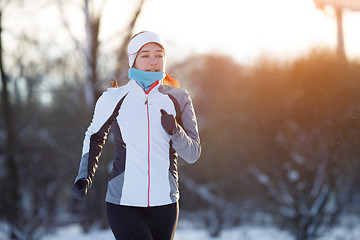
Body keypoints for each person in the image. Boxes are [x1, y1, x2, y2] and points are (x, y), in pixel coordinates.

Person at [72, 31, 201, 240]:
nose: (153, 61)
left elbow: (193, 153)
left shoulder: (179, 98)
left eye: (159, 55)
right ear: (133, 60)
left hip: (165, 204)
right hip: (123, 203)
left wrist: (175, 131)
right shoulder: (114, 98)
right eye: (145, 55)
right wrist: (84, 175)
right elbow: (94, 137)